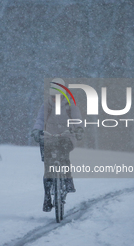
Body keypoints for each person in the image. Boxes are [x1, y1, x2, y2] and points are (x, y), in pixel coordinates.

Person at [31, 78, 84, 212]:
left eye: (58, 96)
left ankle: (67, 181)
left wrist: (78, 129)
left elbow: (77, 118)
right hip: (49, 137)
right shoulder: (46, 105)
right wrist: (37, 130)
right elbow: (40, 119)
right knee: (48, 166)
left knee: (64, 156)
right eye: (53, 97)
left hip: (66, 137)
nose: (56, 99)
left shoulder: (70, 105)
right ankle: (47, 196)